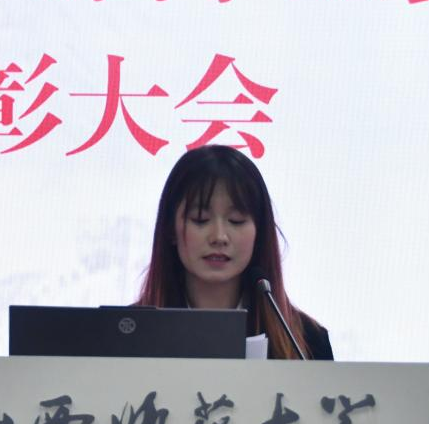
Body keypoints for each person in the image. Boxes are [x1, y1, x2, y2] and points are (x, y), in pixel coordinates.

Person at [137, 145, 332, 360]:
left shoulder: (306, 340)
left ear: (259, 232)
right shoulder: (130, 334)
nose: (219, 237)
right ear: (170, 229)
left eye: (236, 221)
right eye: (200, 220)